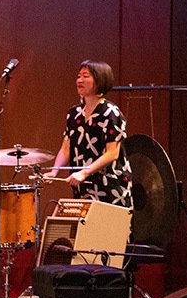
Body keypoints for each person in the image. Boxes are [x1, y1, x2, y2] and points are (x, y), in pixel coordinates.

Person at [46, 60, 132, 207]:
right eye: (78, 76)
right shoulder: (74, 113)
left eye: (85, 76)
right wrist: (54, 171)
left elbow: (112, 153)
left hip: (110, 186)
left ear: (99, 80)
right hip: (83, 186)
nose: (80, 80)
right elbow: (66, 148)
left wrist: (85, 172)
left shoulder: (110, 112)